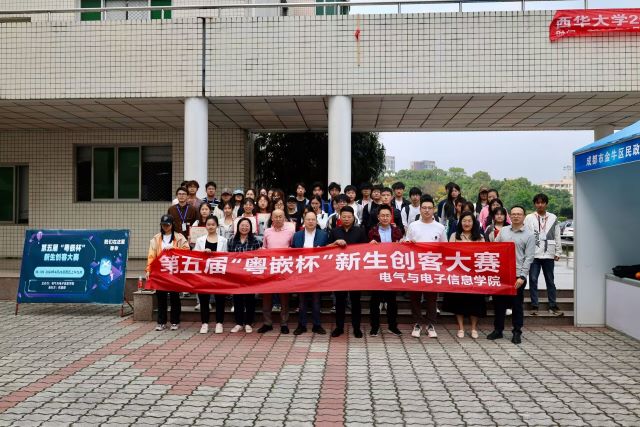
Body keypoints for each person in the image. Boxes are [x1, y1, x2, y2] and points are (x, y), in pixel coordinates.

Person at [488, 205, 536, 345]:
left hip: (517, 275)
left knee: (517, 305)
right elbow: (494, 249)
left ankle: (517, 332)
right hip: (502, 274)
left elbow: (529, 258)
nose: (516, 216)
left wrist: (522, 276)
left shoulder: (529, 235)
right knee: (499, 304)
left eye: (519, 214)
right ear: (510, 215)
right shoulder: (503, 231)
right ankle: (498, 330)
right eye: (513, 214)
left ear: (524, 216)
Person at [405, 195, 447, 339]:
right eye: (424, 208)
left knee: (431, 298)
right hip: (416, 266)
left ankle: (430, 324)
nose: (427, 210)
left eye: (429, 208)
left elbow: (445, 247)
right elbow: (406, 244)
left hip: (432, 266)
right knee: (415, 297)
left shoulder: (440, 227)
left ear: (434, 209)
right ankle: (417, 323)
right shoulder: (413, 225)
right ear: (420, 209)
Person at [443, 212, 487, 339]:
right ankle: (461, 328)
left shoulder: (480, 237)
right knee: (459, 301)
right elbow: (449, 253)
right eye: (464, 221)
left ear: (474, 223)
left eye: (469, 221)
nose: (466, 223)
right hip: (459, 274)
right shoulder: (454, 236)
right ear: (460, 222)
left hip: (475, 275)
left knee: (475, 302)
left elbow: (483, 254)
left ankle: (473, 328)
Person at [327, 206, 367, 338]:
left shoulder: (360, 231)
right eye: (344, 216)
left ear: (353, 218)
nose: (346, 219)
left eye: (349, 217)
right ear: (340, 217)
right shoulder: (334, 231)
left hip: (355, 272)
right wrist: (335, 243)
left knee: (356, 301)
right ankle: (339, 327)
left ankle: (357, 328)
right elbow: (326, 249)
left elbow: (366, 250)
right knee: (340, 301)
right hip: (339, 272)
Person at [146, 214, 189, 331]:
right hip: (160, 271)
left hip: (174, 271)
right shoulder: (156, 239)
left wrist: (174, 249)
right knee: (161, 297)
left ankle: (175, 321)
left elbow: (187, 250)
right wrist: (149, 269)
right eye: (163, 224)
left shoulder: (179, 237)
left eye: (168, 224)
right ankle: (161, 322)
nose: (165, 227)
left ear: (172, 225)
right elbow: (151, 256)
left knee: (175, 297)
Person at [524, 193, 564, 316]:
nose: (540, 205)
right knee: (533, 279)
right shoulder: (529, 218)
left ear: (546, 204)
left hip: (548, 253)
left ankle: (553, 305)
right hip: (534, 254)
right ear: (534, 204)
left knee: (550, 280)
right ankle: (534, 305)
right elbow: (526, 235)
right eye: (538, 202)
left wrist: (558, 251)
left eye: (542, 202)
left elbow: (557, 235)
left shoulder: (553, 217)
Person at [258, 209, 296, 334]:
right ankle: (267, 323)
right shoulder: (267, 231)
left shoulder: (291, 231)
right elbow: (265, 247)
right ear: (272, 219)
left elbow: (294, 248)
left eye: (281, 217)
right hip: (270, 267)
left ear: (284, 218)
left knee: (284, 297)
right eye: (276, 217)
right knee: (267, 296)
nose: (278, 219)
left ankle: (284, 323)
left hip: (284, 267)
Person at [291, 209, 328, 335]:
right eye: (308, 219)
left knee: (316, 300)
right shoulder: (297, 235)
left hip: (317, 272)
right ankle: (301, 325)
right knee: (302, 300)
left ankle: (317, 325)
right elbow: (293, 252)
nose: (311, 221)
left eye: (313, 219)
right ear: (304, 221)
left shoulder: (323, 235)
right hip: (301, 272)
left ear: (316, 221)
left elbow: (328, 252)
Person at [368, 205, 403, 337]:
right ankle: (374, 327)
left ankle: (393, 326)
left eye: (387, 215)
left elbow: (402, 247)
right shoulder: (372, 231)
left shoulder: (397, 231)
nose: (385, 218)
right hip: (377, 269)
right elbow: (366, 250)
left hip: (392, 269)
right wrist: (369, 245)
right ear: (378, 217)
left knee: (392, 300)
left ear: (391, 217)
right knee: (375, 299)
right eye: (382, 215)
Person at [194, 215, 228, 334]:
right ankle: (204, 323)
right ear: (205, 226)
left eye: (213, 224)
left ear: (217, 226)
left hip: (219, 274)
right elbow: (195, 256)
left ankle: (219, 323)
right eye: (208, 224)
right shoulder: (200, 240)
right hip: (204, 275)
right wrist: (203, 253)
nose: (211, 226)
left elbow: (227, 256)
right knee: (204, 300)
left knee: (220, 299)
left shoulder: (224, 240)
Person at [228, 218, 262, 333]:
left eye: (247, 225)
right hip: (236, 275)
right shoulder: (231, 240)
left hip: (250, 275)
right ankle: (238, 323)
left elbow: (260, 258)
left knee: (250, 300)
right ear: (238, 227)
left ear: (250, 227)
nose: (244, 227)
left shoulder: (256, 241)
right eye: (242, 225)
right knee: (237, 299)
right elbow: (229, 257)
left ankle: (248, 323)